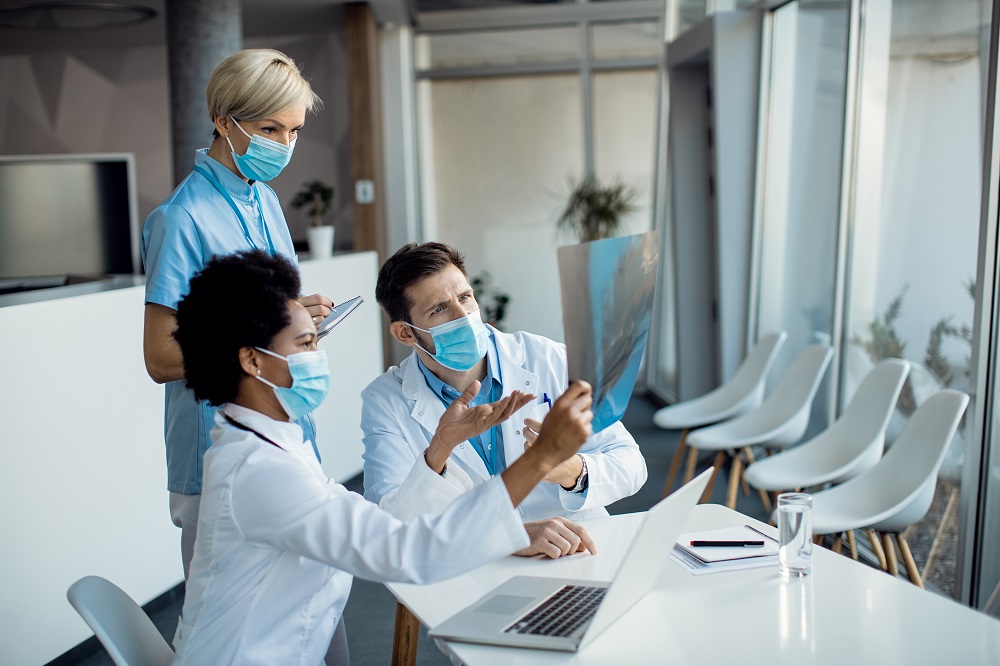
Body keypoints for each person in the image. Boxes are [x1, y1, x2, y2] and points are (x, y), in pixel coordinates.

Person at [170, 249, 594, 665]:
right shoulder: (260, 470)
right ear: (251, 361)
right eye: (305, 343)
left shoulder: (264, 442)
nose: (318, 356)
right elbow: (411, 553)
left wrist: (439, 446)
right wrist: (539, 462)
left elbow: (385, 520)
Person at [141, 48, 333, 579]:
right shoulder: (181, 220)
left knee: (314, 608)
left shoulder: (264, 200)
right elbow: (160, 357)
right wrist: (265, 333)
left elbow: (263, 317)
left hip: (285, 431)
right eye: (271, 129)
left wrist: (295, 317)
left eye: (294, 131)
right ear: (224, 121)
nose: (285, 145)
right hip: (218, 445)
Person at [362, 242, 648, 558]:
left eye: (465, 297)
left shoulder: (548, 359)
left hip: (576, 550)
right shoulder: (385, 400)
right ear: (405, 333)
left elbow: (632, 464)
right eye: (439, 309)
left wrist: (571, 471)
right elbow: (391, 524)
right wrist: (503, 536)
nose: (464, 316)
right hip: (471, 569)